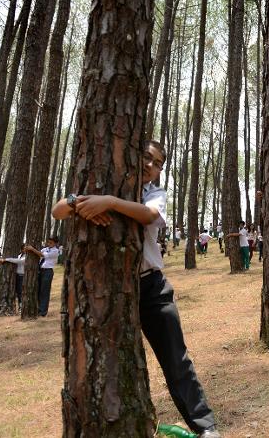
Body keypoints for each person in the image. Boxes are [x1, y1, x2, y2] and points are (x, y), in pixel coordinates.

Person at [51, 140, 220, 438]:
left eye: (157, 164)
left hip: (151, 288)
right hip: (106, 293)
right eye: (145, 157)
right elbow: (58, 210)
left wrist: (111, 204)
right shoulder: (104, 182)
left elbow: (149, 216)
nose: (149, 166)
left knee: (175, 359)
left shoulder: (155, 195)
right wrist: (86, 203)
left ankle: (205, 427)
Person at [24, 236, 60, 317]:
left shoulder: (55, 251)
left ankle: (43, 311)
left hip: (48, 271)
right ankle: (37, 308)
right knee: (38, 290)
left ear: (55, 243)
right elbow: (38, 253)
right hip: (41, 271)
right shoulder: (46, 249)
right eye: (48, 242)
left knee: (44, 291)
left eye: (51, 243)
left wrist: (32, 249)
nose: (49, 244)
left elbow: (42, 255)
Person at [0, 244, 27, 310]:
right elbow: (15, 260)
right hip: (16, 275)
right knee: (16, 291)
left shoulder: (27, 257)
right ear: (21, 249)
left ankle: (21, 306)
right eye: (24, 249)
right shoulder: (19, 255)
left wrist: (6, 259)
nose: (25, 250)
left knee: (21, 292)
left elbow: (18, 261)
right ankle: (19, 305)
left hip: (22, 276)